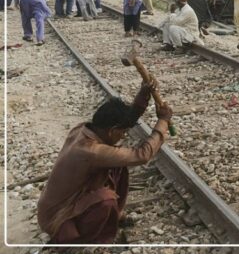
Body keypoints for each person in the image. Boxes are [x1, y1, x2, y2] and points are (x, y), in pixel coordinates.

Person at [37, 79, 173, 244]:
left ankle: (116, 212)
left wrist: (143, 95)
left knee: (118, 166)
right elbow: (142, 155)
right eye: (121, 132)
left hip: (55, 208)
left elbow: (126, 121)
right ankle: (85, 239)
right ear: (112, 131)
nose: (123, 136)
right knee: (106, 200)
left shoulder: (84, 129)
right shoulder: (92, 151)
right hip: (57, 221)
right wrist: (163, 122)